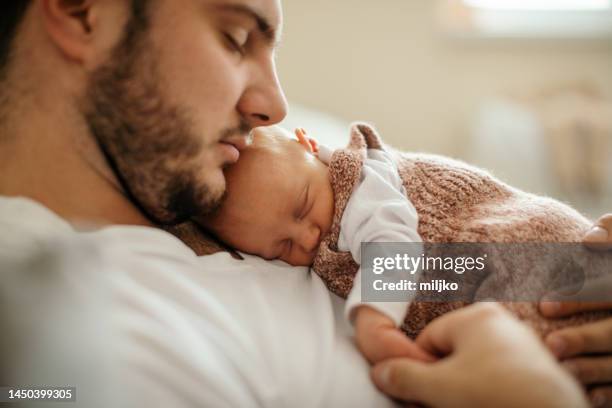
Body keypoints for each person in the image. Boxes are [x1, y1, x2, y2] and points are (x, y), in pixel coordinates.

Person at [0, 1, 602, 407]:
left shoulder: (250, 174)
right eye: (235, 37)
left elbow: (451, 246)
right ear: (84, 14)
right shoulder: (75, 325)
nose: (276, 105)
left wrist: (568, 263)